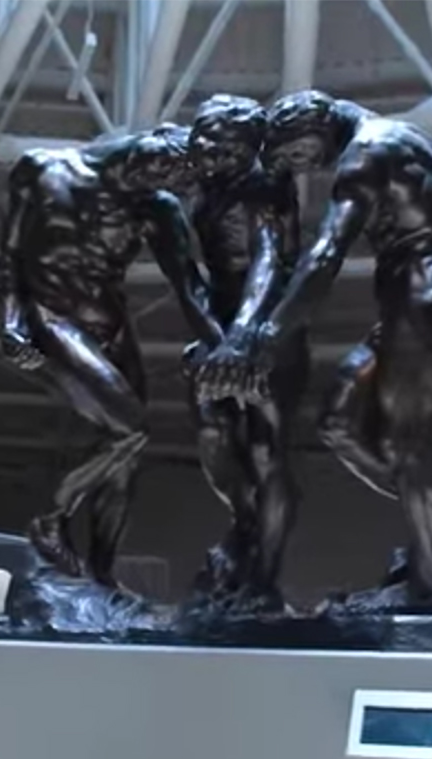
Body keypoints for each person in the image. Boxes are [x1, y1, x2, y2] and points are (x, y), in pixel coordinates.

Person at [196, 89, 432, 609]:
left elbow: (325, 255)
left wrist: (266, 335)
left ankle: (431, 585)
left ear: (314, 128)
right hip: (425, 295)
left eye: (298, 154)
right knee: (338, 420)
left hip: (421, 294)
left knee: (407, 443)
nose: (304, 167)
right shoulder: (415, 139)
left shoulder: (362, 155)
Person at [0, 123, 219, 587]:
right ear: (159, 133)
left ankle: (102, 576)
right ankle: (51, 516)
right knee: (130, 429)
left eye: (175, 176)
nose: (162, 175)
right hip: (53, 319)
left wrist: (224, 343)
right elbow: (11, 255)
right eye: (168, 161)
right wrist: (11, 321)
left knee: (127, 459)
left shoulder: (156, 208)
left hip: (114, 330)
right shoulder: (42, 167)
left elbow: (189, 286)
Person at [181, 94, 307, 608]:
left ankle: (264, 578)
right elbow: (202, 273)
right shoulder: (204, 189)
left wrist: (243, 336)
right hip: (222, 327)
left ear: (247, 147)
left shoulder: (266, 185)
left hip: (270, 329)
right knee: (211, 430)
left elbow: (269, 262)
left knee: (265, 450)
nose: (209, 152)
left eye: (223, 145)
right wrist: (214, 335)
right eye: (205, 140)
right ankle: (247, 523)